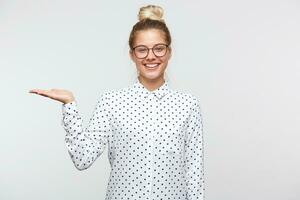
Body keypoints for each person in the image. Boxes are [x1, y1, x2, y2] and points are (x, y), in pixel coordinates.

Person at [29, 4, 205, 200]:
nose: (151, 56)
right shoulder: (112, 102)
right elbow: (82, 158)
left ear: (169, 52)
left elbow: (194, 175)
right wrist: (69, 105)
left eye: (159, 48)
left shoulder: (188, 105)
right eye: (141, 50)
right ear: (132, 54)